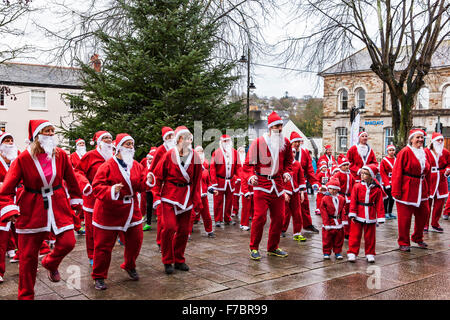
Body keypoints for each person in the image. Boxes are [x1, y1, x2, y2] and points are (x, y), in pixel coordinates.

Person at [0, 119, 83, 300]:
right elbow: (5, 190)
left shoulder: (61, 155)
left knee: (68, 241)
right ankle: (26, 296)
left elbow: (71, 179)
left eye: (53, 131)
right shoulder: (23, 158)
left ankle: (50, 262)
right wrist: (10, 210)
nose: (51, 134)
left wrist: (76, 201)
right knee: (28, 258)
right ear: (37, 136)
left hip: (58, 204)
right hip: (32, 207)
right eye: (47, 131)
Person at [90, 133, 154, 290]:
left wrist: (148, 181)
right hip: (108, 212)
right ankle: (98, 276)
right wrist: (111, 190)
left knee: (136, 241)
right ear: (118, 147)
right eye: (127, 144)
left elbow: (140, 184)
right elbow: (96, 187)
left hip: (131, 210)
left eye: (132, 144)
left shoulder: (136, 165)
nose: (131, 147)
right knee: (103, 247)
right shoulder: (106, 166)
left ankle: (129, 265)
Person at [152, 126, 203, 274]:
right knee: (169, 227)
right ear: (178, 139)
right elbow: (158, 177)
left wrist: (196, 199)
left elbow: (197, 179)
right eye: (184, 138)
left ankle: (179, 259)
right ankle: (167, 260)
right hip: (170, 196)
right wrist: (156, 196)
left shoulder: (195, 157)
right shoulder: (169, 155)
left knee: (184, 230)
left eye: (190, 138)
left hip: (187, 196)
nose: (188, 140)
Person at [243, 111, 293, 260]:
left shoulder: (286, 143)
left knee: (279, 218)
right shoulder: (259, 142)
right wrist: (251, 176)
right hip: (261, 184)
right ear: (270, 127)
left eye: (281, 126)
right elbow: (247, 164)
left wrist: (287, 172)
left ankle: (273, 247)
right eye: (277, 126)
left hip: (277, 185)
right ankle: (254, 247)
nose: (280, 128)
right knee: (259, 218)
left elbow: (289, 162)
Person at [75, 131, 114, 266]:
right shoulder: (90, 156)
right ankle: (92, 254)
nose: (108, 140)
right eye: (105, 138)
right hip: (92, 197)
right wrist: (85, 184)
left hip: (110, 197)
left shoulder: (115, 155)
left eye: (110, 137)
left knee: (108, 228)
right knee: (91, 229)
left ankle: (106, 250)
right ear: (98, 141)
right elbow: (78, 172)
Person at [391, 129, 431, 252]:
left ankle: (417, 237)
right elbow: (397, 172)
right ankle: (403, 242)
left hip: (421, 187)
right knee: (405, 218)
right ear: (411, 139)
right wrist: (396, 191)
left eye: (422, 137)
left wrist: (428, 188)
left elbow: (428, 172)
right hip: (406, 188)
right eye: (417, 137)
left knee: (424, 213)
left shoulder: (424, 152)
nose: (420, 140)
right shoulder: (405, 152)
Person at [347, 164, 385, 263]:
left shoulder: (377, 189)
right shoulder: (357, 186)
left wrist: (380, 217)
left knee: (370, 236)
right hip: (358, 213)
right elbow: (353, 201)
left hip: (371, 214)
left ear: (371, 176)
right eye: (362, 173)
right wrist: (352, 214)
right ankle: (352, 253)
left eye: (365, 173)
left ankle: (370, 253)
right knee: (355, 235)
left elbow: (379, 203)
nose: (362, 175)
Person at [148, 127, 176, 250]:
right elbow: (153, 169)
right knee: (162, 218)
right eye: (168, 136)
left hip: (175, 188)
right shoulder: (161, 150)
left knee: (173, 218)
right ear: (164, 138)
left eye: (172, 136)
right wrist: (155, 191)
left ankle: (171, 240)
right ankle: (160, 241)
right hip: (162, 187)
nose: (171, 138)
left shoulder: (178, 148)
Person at [290, 132, 320, 233]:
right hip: (289, 183)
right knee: (285, 208)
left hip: (302, 183)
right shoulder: (287, 152)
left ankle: (307, 225)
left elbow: (310, 169)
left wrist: (315, 182)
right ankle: (282, 228)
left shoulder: (305, 152)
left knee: (305, 205)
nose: (297, 144)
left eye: (299, 141)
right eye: (295, 142)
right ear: (291, 143)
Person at [210, 135, 240, 227]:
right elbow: (212, 168)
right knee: (218, 201)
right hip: (220, 180)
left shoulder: (234, 152)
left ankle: (227, 218)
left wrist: (238, 177)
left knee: (229, 201)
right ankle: (218, 219)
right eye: (224, 141)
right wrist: (214, 181)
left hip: (230, 181)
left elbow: (238, 166)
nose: (226, 142)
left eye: (228, 140)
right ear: (221, 142)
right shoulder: (217, 152)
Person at [424, 132, 450, 233]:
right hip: (430, 179)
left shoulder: (446, 152)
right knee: (427, 204)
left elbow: (449, 163)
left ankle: (435, 223)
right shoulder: (426, 151)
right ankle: (425, 225)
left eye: (441, 140)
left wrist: (447, 169)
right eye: (438, 140)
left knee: (439, 204)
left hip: (442, 179)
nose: (440, 142)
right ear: (433, 141)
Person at [281, 148, 307, 242]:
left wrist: (302, 192)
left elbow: (301, 178)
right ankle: (282, 230)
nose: (292, 153)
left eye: (294, 152)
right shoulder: (282, 164)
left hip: (295, 191)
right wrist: (283, 192)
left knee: (297, 213)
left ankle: (297, 233)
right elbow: (279, 179)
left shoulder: (297, 164)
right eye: (290, 151)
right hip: (285, 192)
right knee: (285, 213)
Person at [189, 146, 214, 238]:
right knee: (191, 215)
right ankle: (187, 233)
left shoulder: (206, 171)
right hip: (193, 196)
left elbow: (208, 183)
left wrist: (211, 189)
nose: (199, 153)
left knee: (206, 214)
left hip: (203, 196)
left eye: (201, 151)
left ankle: (209, 231)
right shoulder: (190, 168)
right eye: (197, 151)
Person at [320, 178, 346, 260]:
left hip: (338, 222)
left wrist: (343, 220)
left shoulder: (341, 199)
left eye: (335, 189)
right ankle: (326, 252)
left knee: (339, 238)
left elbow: (343, 210)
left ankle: (338, 252)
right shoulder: (325, 199)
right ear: (328, 188)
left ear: (338, 189)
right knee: (327, 238)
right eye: (331, 189)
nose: (333, 191)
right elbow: (323, 212)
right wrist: (326, 223)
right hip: (329, 221)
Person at [332, 156, 354, 239]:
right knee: (342, 214)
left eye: (347, 165)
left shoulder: (350, 174)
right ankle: (342, 231)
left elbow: (353, 183)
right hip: (341, 196)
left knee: (349, 214)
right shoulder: (338, 174)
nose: (347, 167)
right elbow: (333, 183)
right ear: (340, 166)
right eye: (344, 165)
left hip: (349, 197)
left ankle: (348, 231)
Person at [140, 147, 156, 232]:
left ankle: (162, 222)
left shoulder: (157, 166)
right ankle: (148, 223)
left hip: (156, 190)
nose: (149, 161)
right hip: (148, 190)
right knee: (148, 206)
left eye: (151, 159)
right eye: (149, 159)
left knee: (159, 206)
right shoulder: (145, 167)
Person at [379, 145, 397, 220]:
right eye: (390, 150)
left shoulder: (396, 159)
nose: (391, 152)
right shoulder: (384, 160)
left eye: (393, 150)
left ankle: (390, 212)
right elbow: (382, 173)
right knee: (386, 198)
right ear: (387, 151)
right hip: (387, 183)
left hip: (394, 182)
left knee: (393, 198)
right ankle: (385, 212)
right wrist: (386, 184)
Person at [231, 146, 246, 220]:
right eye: (240, 152)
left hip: (244, 181)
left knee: (245, 196)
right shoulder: (235, 161)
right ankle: (235, 210)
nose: (242, 153)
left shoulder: (246, 161)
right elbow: (232, 171)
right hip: (237, 181)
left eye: (243, 152)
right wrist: (235, 178)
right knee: (235, 196)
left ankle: (246, 212)